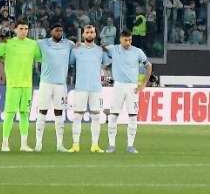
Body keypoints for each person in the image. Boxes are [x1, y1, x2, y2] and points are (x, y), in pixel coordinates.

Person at [0, 21, 42, 151]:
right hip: (13, 84)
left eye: (26, 29)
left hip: (27, 85)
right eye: (21, 28)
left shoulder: (33, 44)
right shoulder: (8, 43)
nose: (24, 31)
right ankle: (4, 143)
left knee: (25, 114)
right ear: (15, 30)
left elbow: (40, 58)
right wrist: (2, 44)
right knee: (9, 114)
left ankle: (24, 144)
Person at [105, 29, 151, 153]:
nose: (128, 42)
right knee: (113, 115)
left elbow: (148, 66)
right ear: (120, 39)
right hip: (118, 85)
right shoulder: (114, 49)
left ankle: (130, 145)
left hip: (132, 87)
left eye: (130, 40)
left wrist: (143, 84)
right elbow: (100, 48)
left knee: (133, 116)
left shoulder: (137, 51)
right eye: (126, 40)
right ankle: (111, 145)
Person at [69, 24, 109, 152]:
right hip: (80, 87)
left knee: (96, 117)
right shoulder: (76, 50)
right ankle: (75, 145)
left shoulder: (100, 50)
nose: (89, 34)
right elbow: (70, 63)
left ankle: (95, 145)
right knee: (77, 116)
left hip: (95, 88)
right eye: (87, 32)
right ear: (83, 34)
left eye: (92, 32)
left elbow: (106, 65)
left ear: (95, 34)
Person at [35, 23, 74, 151]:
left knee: (59, 113)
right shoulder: (42, 43)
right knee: (42, 112)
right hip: (45, 83)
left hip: (61, 85)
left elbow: (78, 49)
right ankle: (38, 143)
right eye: (57, 30)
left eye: (61, 30)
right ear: (51, 31)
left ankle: (60, 145)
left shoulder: (69, 44)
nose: (59, 32)